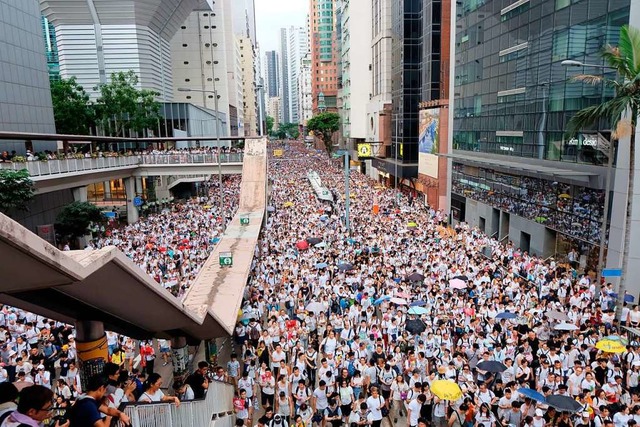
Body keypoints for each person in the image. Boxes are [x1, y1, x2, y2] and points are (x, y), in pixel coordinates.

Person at [0, 385, 67, 427]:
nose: (48, 412)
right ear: (31, 411)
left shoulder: (6, 414)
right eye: (47, 408)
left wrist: (41, 418)